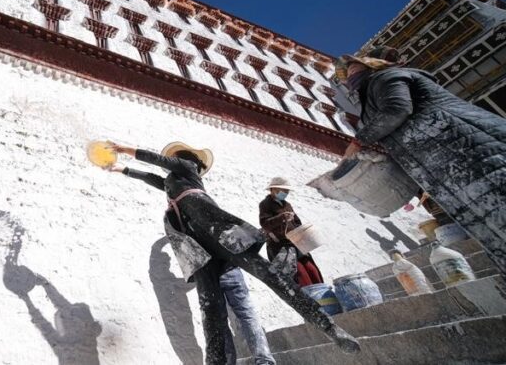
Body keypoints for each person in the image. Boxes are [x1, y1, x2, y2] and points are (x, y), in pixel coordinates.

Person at [106, 141, 359, 364]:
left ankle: (328, 326)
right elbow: (154, 178)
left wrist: (126, 150)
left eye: (180, 158)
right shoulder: (172, 183)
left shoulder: (187, 167)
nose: (175, 161)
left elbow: (159, 161)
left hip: (219, 231)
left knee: (270, 275)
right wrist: (124, 170)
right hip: (197, 247)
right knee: (211, 309)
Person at [338, 46, 506, 276]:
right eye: (347, 74)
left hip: (467, 146)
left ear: (374, 64)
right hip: (446, 162)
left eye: (355, 67)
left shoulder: (387, 77)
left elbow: (398, 109)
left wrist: (359, 141)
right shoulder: (372, 90)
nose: (350, 75)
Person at [259, 177, 323, 286]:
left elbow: (297, 221)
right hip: (281, 247)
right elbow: (265, 224)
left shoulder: (287, 205)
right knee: (301, 275)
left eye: (287, 191)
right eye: (283, 190)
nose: (286, 193)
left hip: (297, 244)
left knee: (312, 271)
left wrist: (303, 230)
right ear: (273, 189)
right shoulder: (265, 204)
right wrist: (282, 218)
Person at [221, 267, 276, 365]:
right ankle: (264, 361)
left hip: (209, 271)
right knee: (247, 315)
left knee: (218, 321)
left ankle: (226, 362)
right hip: (228, 266)